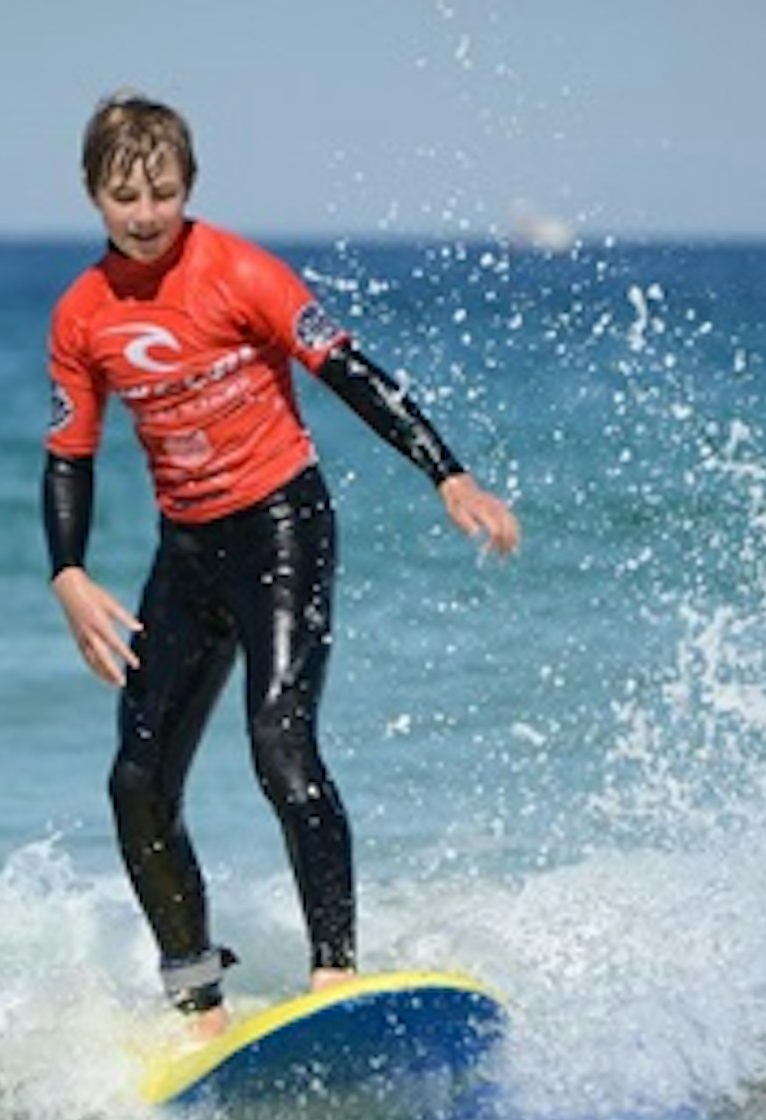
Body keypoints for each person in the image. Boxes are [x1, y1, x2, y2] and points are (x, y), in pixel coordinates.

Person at [42, 93, 520, 1040]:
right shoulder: (83, 314)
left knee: (280, 743)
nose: (145, 215)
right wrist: (68, 572)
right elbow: (69, 454)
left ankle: (334, 969)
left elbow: (350, 370)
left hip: (281, 530)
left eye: (163, 193)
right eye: (124, 196)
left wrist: (447, 472)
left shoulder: (241, 273)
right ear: (93, 194)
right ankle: (197, 1002)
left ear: (190, 186)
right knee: (137, 782)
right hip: (186, 553)